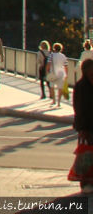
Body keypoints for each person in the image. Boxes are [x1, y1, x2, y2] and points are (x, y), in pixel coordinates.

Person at [72, 59, 93, 192]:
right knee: (86, 155)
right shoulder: (81, 86)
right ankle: (85, 182)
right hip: (87, 127)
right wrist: (82, 128)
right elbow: (79, 109)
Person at [51, 42, 70, 107]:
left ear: (54, 48)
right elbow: (66, 66)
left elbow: (48, 64)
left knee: (52, 87)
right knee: (60, 88)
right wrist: (66, 74)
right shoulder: (63, 56)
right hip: (61, 73)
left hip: (53, 73)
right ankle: (59, 102)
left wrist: (47, 71)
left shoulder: (51, 55)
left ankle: (54, 100)